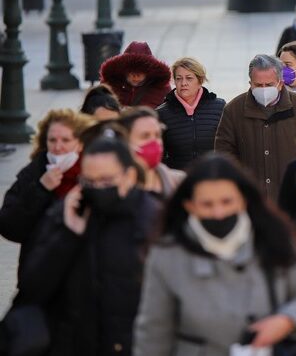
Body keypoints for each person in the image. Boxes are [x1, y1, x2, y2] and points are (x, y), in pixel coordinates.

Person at [134, 154, 296, 355]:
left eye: (227, 202)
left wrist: (287, 320)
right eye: (207, 204)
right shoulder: (167, 255)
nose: (218, 213)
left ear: (243, 200)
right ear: (190, 205)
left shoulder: (274, 239)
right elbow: (154, 332)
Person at [16, 136, 161, 356]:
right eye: (89, 181)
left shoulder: (155, 219)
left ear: (129, 176)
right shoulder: (65, 213)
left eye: (106, 180)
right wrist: (67, 235)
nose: (97, 189)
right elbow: (31, 287)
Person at [0, 109, 94, 276]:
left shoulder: (94, 174)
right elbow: (9, 226)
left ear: (79, 143)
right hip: (39, 274)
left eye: (66, 140)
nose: (58, 147)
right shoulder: (34, 172)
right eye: (52, 140)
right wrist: (40, 189)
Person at [215, 55, 296, 201]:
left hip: (292, 197)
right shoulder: (234, 110)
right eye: (258, 85)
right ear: (250, 83)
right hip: (252, 199)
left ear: (280, 83)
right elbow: (224, 153)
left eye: (269, 85)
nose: (263, 89)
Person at [157, 57, 225, 170]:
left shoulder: (219, 107)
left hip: (212, 177)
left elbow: (230, 146)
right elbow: (159, 154)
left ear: (200, 81)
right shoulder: (161, 113)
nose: (183, 83)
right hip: (178, 181)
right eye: (179, 79)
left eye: (189, 78)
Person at [118, 107, 185, 201]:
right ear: (125, 141)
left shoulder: (180, 182)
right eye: (145, 136)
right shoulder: (115, 188)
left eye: (157, 135)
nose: (154, 142)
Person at [100, 41, 172, 108]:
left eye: (140, 71)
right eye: (131, 70)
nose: (135, 76)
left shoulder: (161, 88)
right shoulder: (110, 85)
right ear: (123, 69)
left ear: (149, 71)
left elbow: (169, 113)